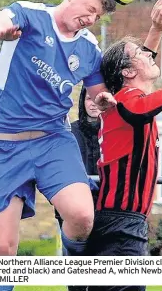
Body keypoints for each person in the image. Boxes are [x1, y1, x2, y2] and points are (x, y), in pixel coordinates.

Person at [0, 0, 162, 269]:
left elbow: (101, 90)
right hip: (6, 144)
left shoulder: (89, 48)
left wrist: (103, 99)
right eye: (90, 9)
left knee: (82, 216)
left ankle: (76, 266)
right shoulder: (30, 14)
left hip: (53, 141)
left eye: (96, 16)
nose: (90, 19)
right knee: (2, 248)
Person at [86, 20, 162, 290]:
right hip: (120, 222)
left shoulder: (129, 97)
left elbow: (144, 89)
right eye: (140, 54)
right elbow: (142, 108)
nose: (149, 56)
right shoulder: (126, 100)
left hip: (124, 222)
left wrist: (157, 30)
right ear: (126, 71)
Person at [55, 87, 101, 229]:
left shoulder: (113, 132)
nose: (93, 103)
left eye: (97, 99)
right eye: (89, 98)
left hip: (106, 208)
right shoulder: (69, 133)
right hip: (74, 204)